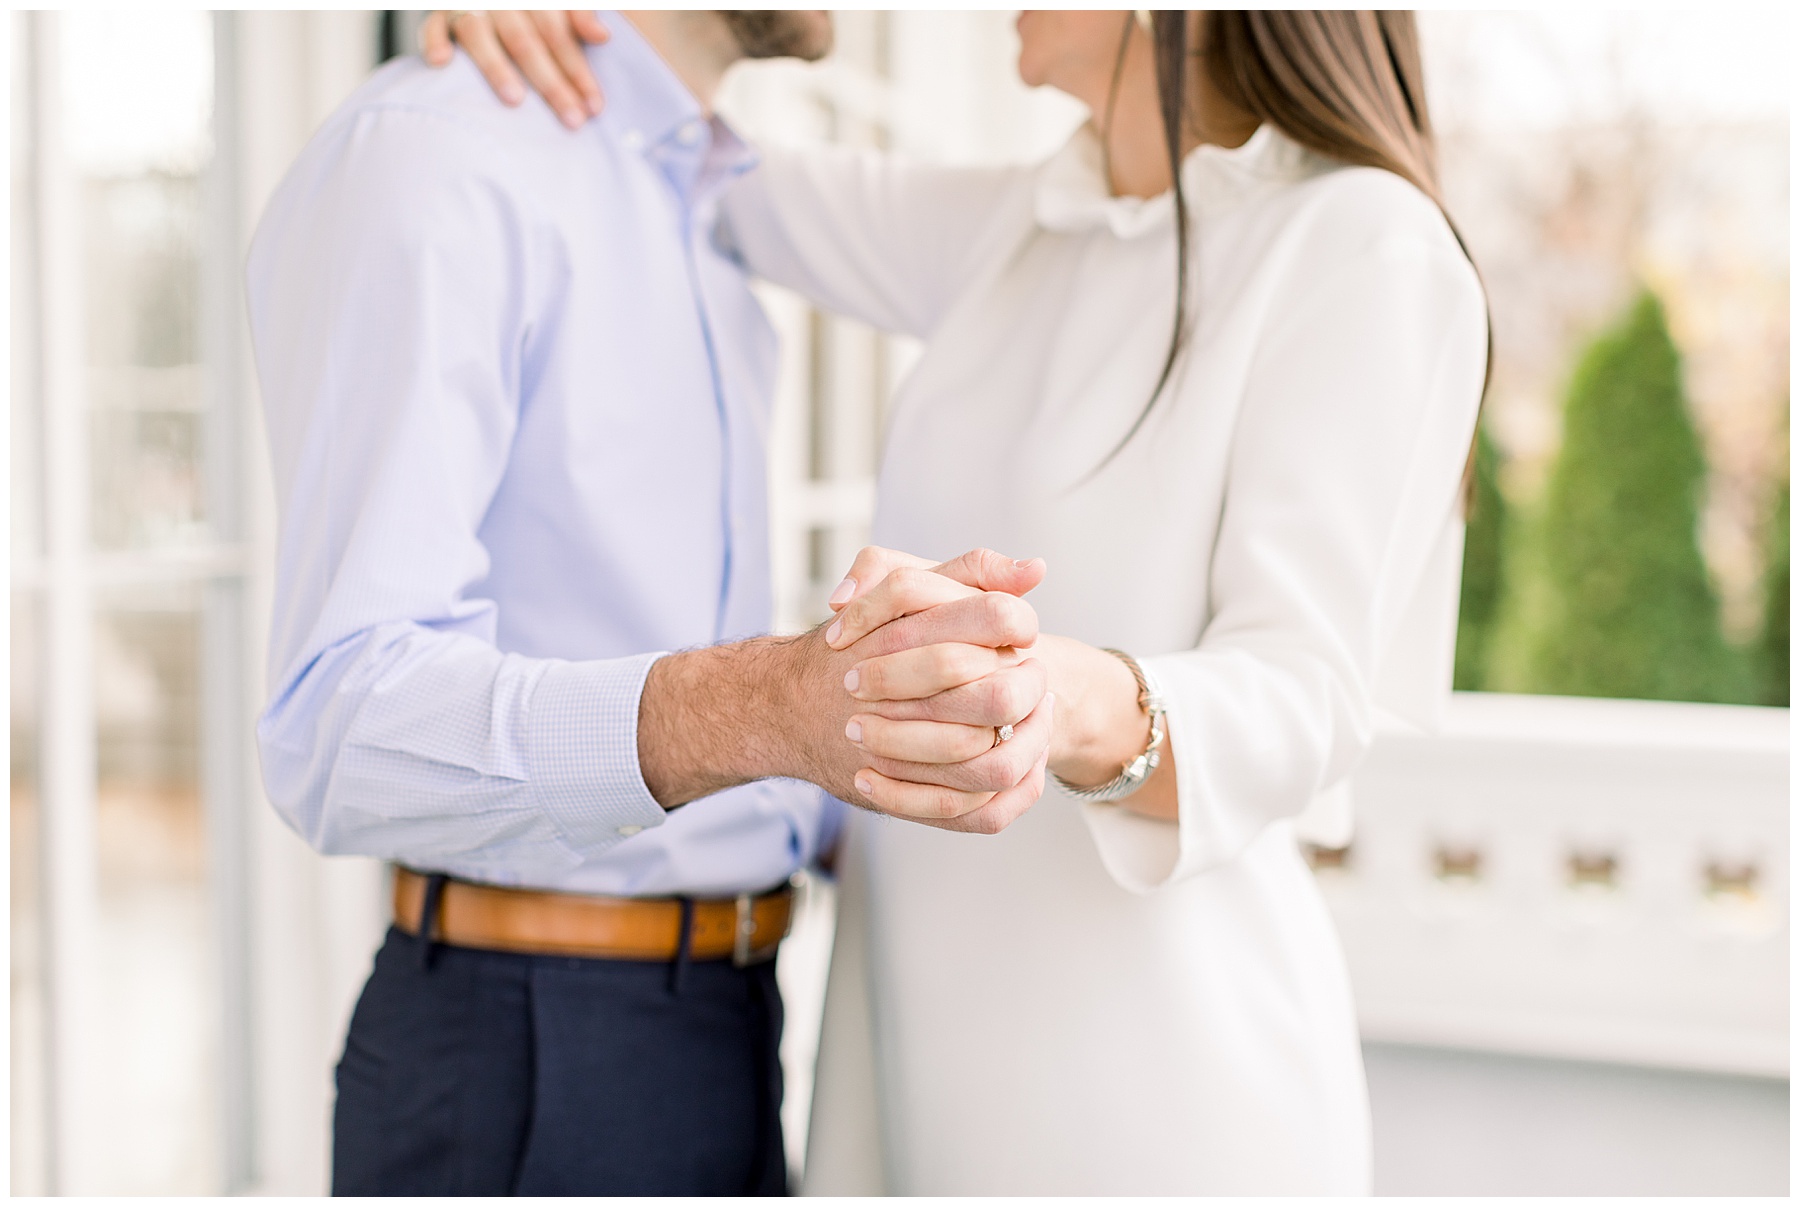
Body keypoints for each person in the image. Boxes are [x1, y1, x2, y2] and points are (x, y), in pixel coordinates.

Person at [439, 7, 1491, 1195]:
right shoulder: (1033, 222)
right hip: (926, 1059)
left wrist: (1049, 697)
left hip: (1163, 1090)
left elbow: (1309, 693)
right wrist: (545, 27)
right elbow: (720, 180)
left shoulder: (1362, 242)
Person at [245, 10, 1062, 1196]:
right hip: (533, 1058)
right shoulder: (435, 154)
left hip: (729, 1027)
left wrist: (905, 730)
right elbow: (336, 722)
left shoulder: (705, 192)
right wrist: (769, 708)